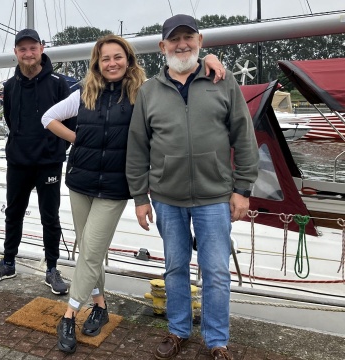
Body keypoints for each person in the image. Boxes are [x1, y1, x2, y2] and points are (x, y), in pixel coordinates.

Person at [43, 33, 226, 353]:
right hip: (79, 183)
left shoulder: (143, 93)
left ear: (128, 60)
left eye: (117, 57)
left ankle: (69, 314)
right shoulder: (85, 91)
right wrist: (78, 140)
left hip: (115, 188)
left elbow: (177, 77)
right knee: (90, 249)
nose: (111, 63)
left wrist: (207, 59)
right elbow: (48, 118)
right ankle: (99, 306)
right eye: (105, 58)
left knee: (89, 250)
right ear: (97, 64)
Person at [125, 14, 259, 360]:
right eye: (174, 40)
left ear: (200, 41)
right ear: (162, 46)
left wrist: (242, 188)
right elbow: (138, 146)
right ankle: (178, 331)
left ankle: (217, 341)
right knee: (175, 268)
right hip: (166, 198)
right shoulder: (149, 90)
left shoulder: (223, 81)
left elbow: (244, 136)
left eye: (188, 38)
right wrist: (140, 197)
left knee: (215, 271)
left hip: (215, 197)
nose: (181, 45)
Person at [0, 29, 75, 295]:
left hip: (49, 162)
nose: (28, 53)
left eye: (32, 48)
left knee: (50, 217)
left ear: (41, 49)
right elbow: (11, 120)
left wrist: (57, 147)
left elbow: (70, 121)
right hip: (19, 161)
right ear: (16, 53)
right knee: (13, 212)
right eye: (22, 49)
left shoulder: (58, 83)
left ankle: (52, 269)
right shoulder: (10, 86)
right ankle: (9, 261)